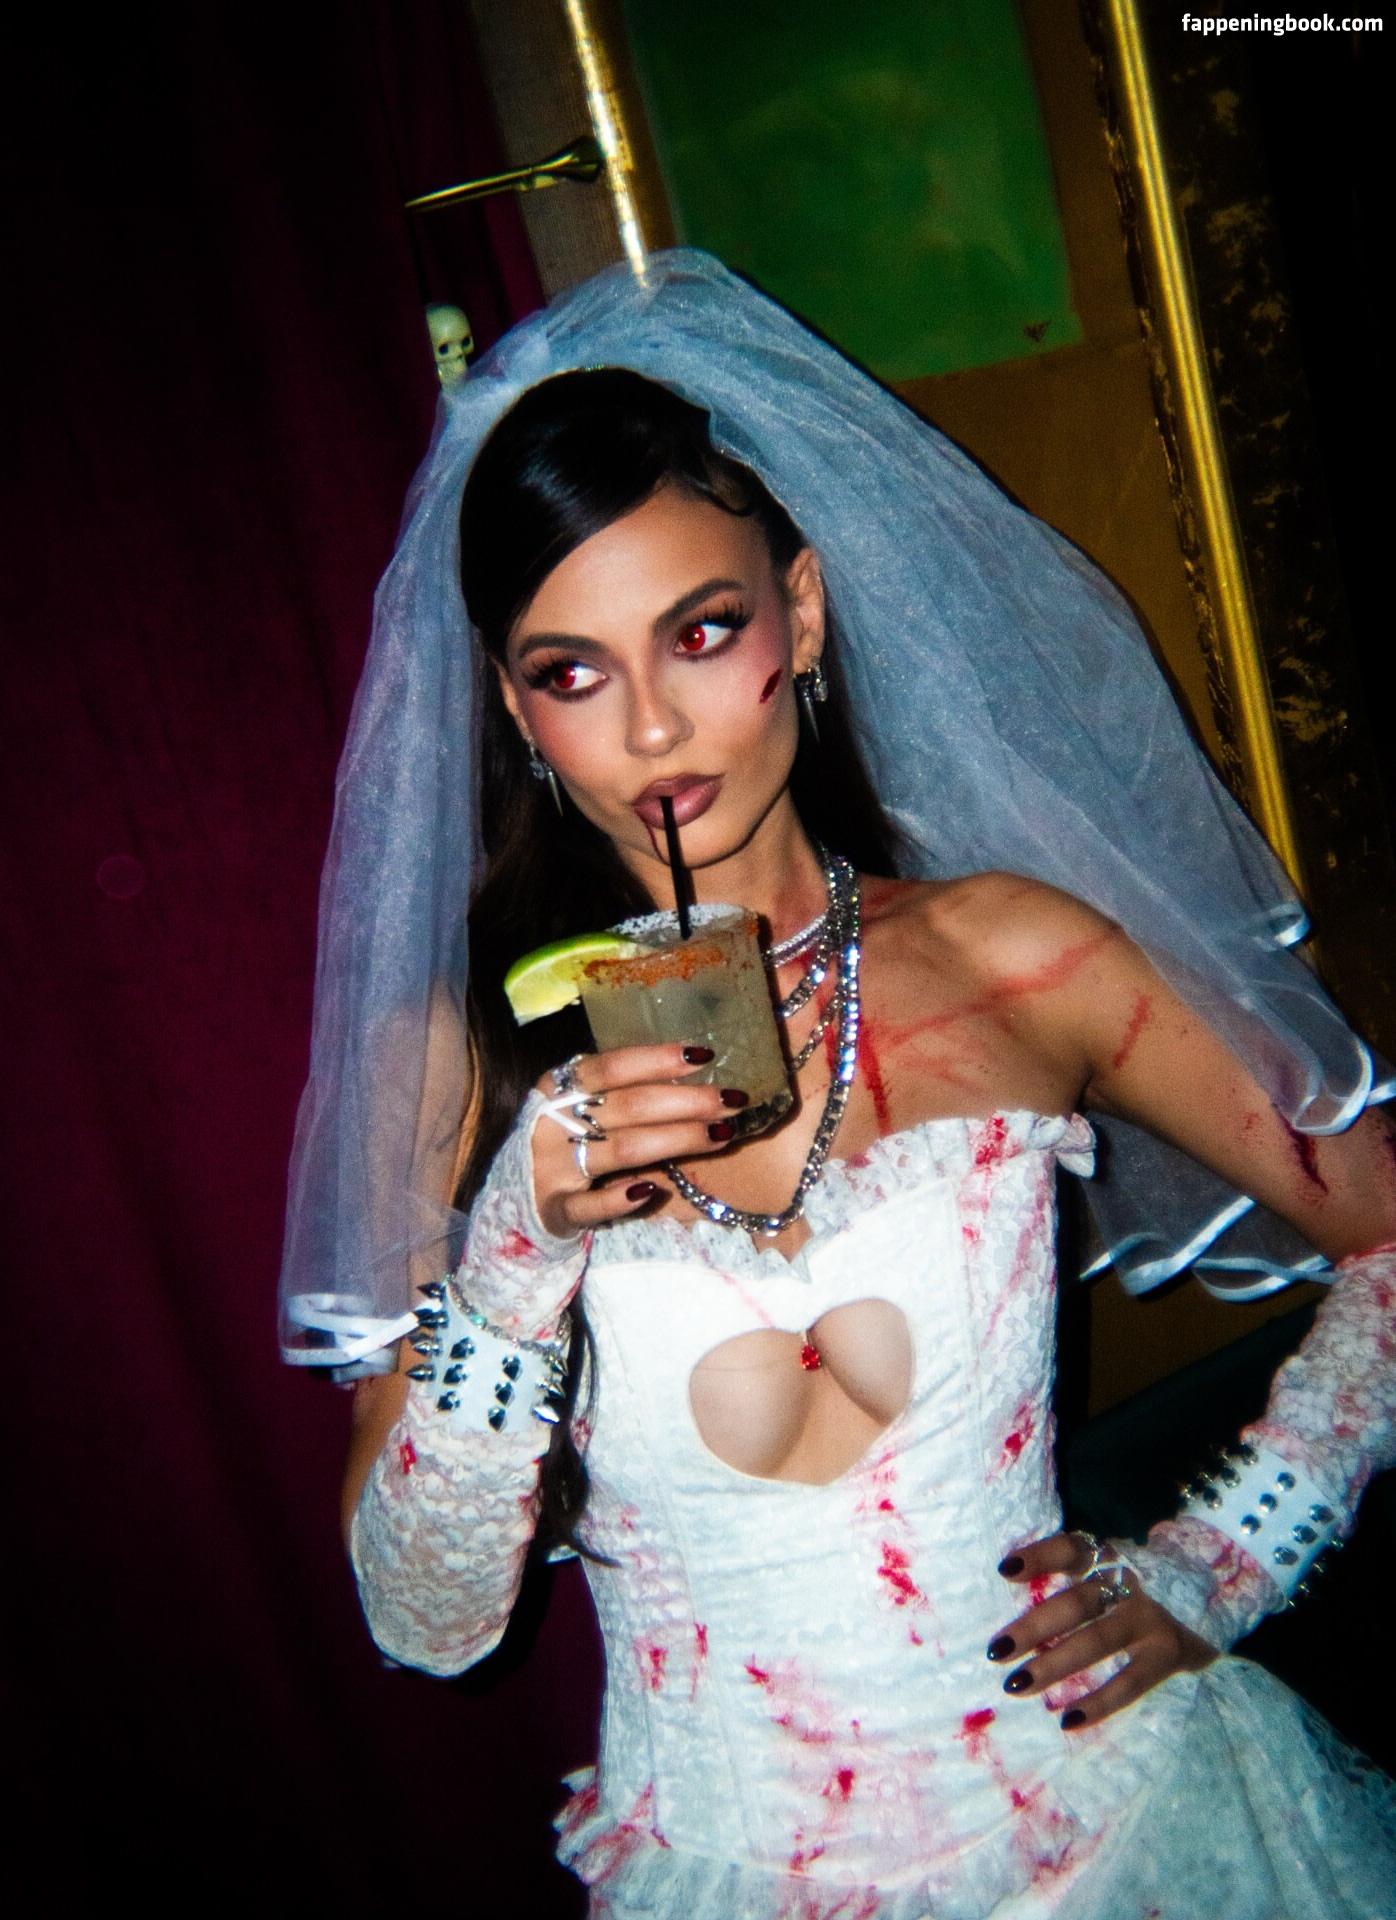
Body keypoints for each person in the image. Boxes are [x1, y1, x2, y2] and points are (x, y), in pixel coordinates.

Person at [282, 253, 1396, 1917]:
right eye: (572, 673)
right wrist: (516, 1253)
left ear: (798, 614)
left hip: (1125, 1827)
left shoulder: (1016, 957)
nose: (654, 730)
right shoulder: (457, 1064)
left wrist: (1225, 1559)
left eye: (701, 632)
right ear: (515, 712)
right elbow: (424, 1624)